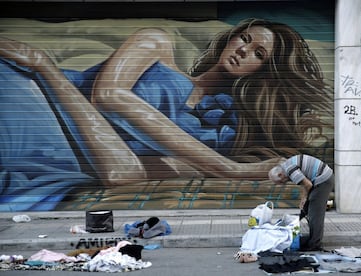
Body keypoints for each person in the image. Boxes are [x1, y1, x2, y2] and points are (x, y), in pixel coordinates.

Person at [0, 18, 332, 207]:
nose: (243, 50)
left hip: (42, 143)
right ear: (230, 38)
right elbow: (107, 95)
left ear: (264, 72)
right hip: (30, 97)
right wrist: (226, 168)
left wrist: (47, 67)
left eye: (258, 53)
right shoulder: (156, 45)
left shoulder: (214, 139)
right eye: (243, 38)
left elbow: (120, 174)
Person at [268, 154, 334, 251]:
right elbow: (305, 182)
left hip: (323, 179)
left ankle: (314, 244)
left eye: (280, 182)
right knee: (306, 207)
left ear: (280, 175)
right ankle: (293, 225)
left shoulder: (289, 170)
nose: (282, 184)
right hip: (318, 179)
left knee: (315, 214)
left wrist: (304, 197)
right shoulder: (286, 166)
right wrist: (304, 199)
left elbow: (308, 184)